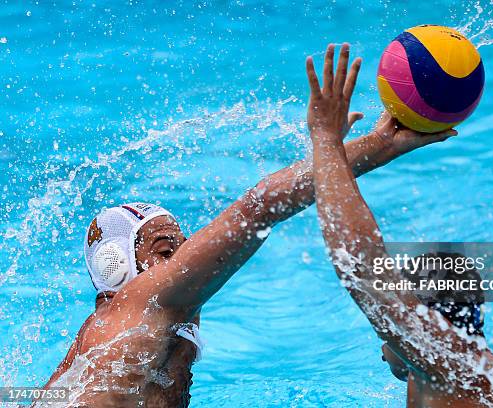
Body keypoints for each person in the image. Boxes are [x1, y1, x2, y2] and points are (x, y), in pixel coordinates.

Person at [38, 47, 456, 407]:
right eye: (168, 251)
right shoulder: (143, 300)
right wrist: (370, 145)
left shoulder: (108, 344)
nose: (187, 257)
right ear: (119, 270)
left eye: (184, 245)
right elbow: (257, 208)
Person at [307, 43, 493, 407]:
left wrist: (325, 138)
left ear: (421, 318)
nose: (384, 344)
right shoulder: (483, 376)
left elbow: (360, 266)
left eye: (392, 332)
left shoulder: (445, 366)